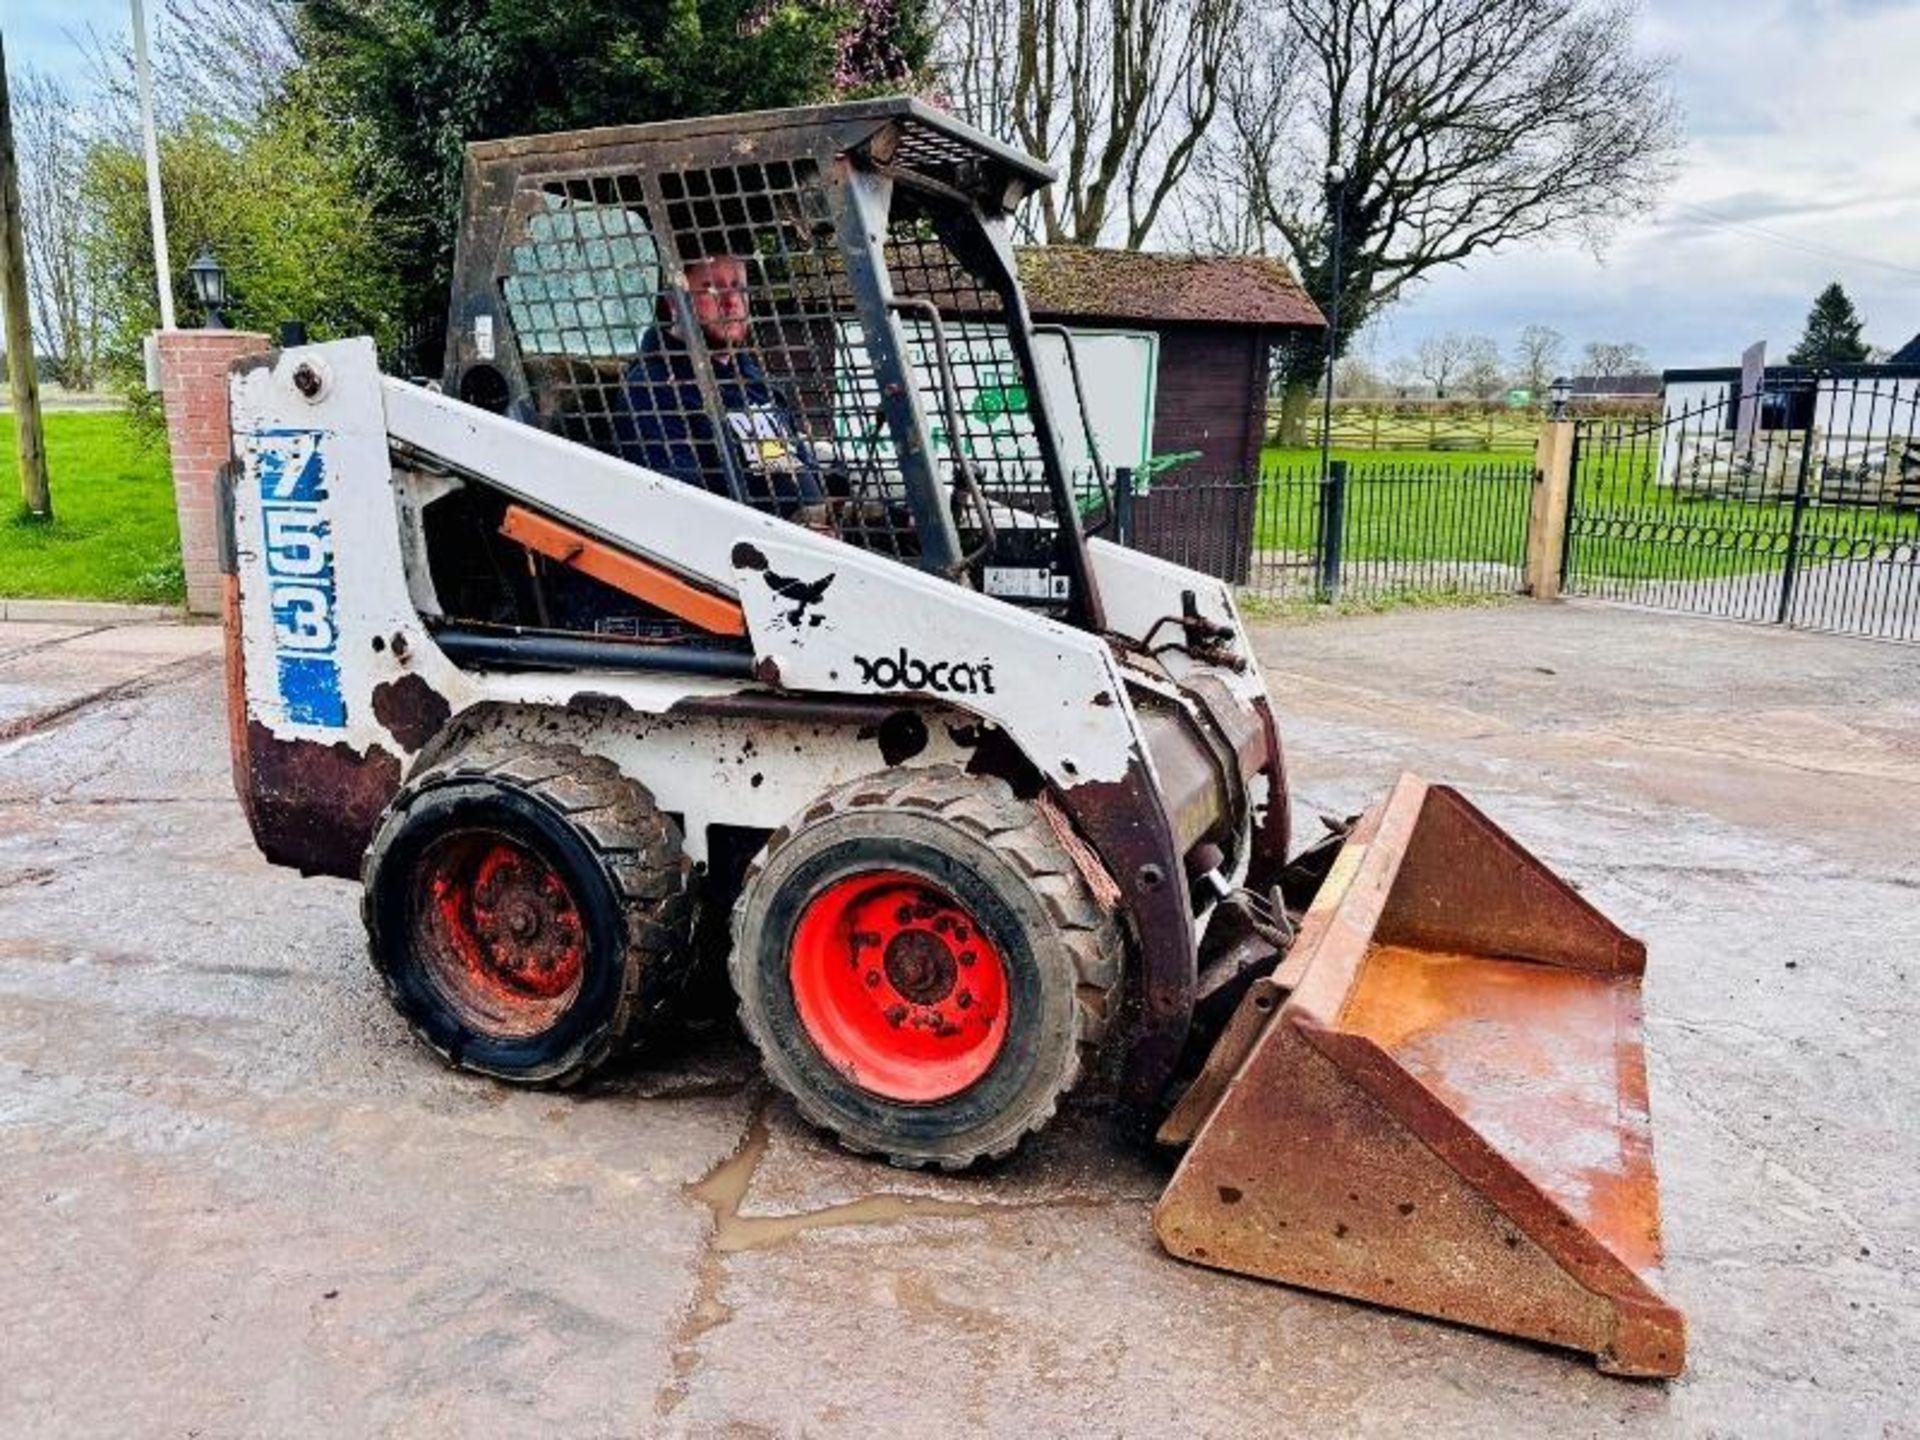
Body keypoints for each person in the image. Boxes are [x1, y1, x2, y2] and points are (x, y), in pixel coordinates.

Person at [616, 254, 832, 517]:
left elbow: (800, 465)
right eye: (712, 288)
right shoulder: (654, 389)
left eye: (739, 288)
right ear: (674, 301)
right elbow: (683, 508)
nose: (731, 302)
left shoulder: (755, 380)